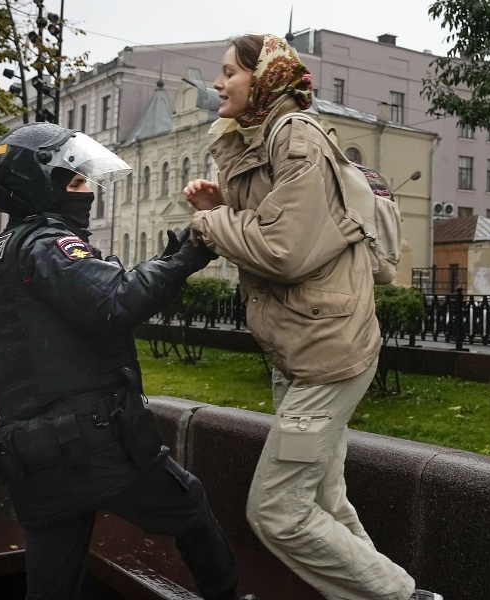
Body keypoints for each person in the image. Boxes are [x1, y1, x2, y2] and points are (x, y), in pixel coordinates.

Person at [184, 34, 442, 600]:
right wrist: (221, 209)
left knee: (276, 509)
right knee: (325, 499)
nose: (217, 83)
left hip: (327, 354)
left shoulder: (295, 137)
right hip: (301, 348)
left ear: (265, 77)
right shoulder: (258, 139)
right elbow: (279, 227)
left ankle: (401, 597)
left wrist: (208, 225)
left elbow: (285, 249)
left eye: (229, 72)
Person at [0, 122, 252, 600]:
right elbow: (114, 301)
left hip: (33, 458)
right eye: (77, 182)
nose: (89, 193)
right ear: (40, 186)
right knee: (188, 503)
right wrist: (192, 251)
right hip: (92, 444)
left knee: (52, 588)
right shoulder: (46, 244)